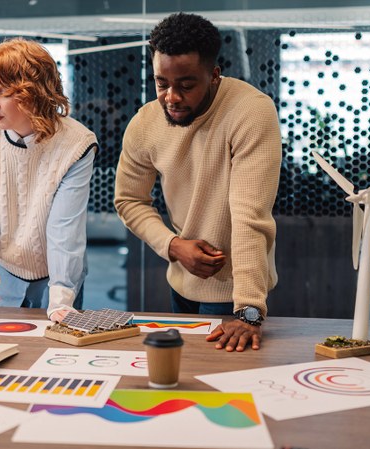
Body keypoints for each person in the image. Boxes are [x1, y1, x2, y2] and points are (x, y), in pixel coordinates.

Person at [114, 13, 281, 352]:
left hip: (235, 293)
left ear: (214, 75)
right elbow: (128, 200)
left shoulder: (251, 112)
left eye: (186, 85)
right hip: (180, 282)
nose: (172, 97)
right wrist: (173, 245)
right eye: (162, 83)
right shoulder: (146, 123)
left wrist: (249, 311)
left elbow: (251, 216)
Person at [0, 38, 98, 322]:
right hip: (0, 276)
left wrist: (60, 301)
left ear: (33, 93)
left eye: (4, 92)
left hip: (58, 280)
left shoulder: (77, 144)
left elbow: (64, 230)